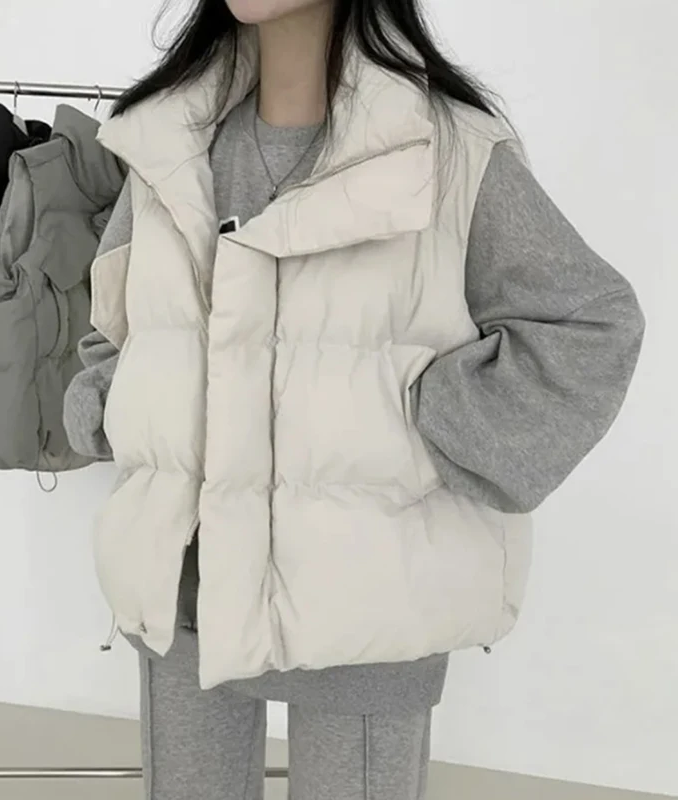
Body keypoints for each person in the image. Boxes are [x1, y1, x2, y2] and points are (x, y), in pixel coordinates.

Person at [63, 0, 645, 797]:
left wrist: (436, 419)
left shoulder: (444, 151)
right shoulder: (164, 142)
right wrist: (115, 402)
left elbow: (590, 325)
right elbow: (120, 316)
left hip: (371, 593)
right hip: (181, 582)